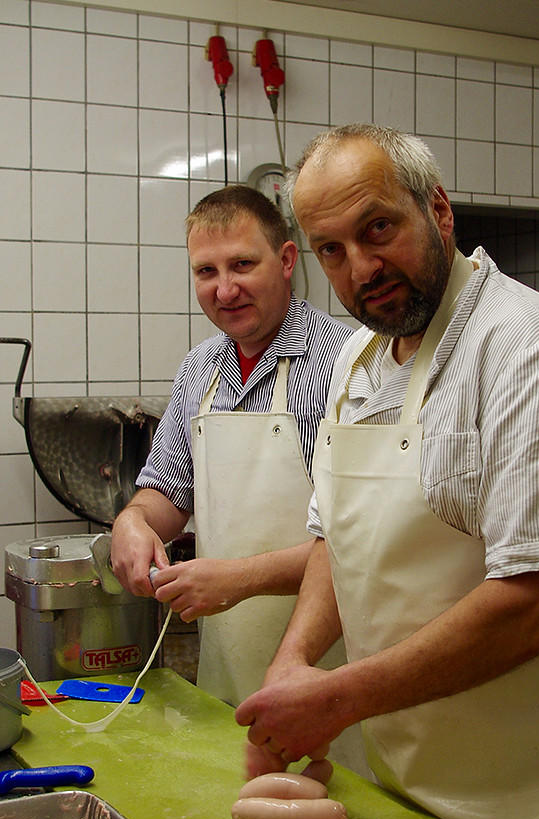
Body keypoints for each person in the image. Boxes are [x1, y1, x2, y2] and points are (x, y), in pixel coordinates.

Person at [234, 124, 539, 819]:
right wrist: (292, 665)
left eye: (378, 229)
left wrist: (340, 699)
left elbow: (538, 606)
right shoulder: (358, 363)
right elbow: (338, 540)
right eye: (330, 249)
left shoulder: (527, 348)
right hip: (416, 736)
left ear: (438, 209)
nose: (361, 269)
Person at [110, 184, 367, 771]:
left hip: (336, 680)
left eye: (242, 265)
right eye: (206, 271)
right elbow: (165, 497)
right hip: (226, 677)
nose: (224, 290)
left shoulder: (350, 363)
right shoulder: (201, 370)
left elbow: (364, 545)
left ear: (284, 261)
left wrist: (240, 579)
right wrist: (131, 521)